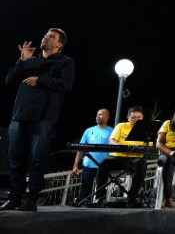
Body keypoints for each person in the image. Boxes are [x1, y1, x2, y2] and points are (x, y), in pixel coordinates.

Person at [1, 28, 75, 212]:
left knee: (37, 159)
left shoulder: (65, 61)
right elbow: (9, 80)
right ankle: (14, 198)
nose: (45, 37)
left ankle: (31, 199)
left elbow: (66, 84)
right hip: (19, 116)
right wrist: (22, 60)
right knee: (15, 159)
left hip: (43, 117)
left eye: (51, 37)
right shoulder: (30, 61)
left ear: (59, 44)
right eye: (45, 35)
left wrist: (40, 80)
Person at [96, 105, 150, 208]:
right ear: (128, 117)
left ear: (142, 117)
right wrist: (121, 147)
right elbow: (112, 140)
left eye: (139, 118)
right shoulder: (121, 126)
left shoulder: (144, 129)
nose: (136, 120)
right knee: (104, 164)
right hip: (118, 157)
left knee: (141, 165)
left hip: (135, 158)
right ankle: (100, 198)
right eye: (133, 117)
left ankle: (132, 198)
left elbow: (150, 145)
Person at [71, 108, 113, 206]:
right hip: (88, 165)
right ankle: (82, 205)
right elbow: (80, 149)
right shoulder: (89, 131)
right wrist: (75, 166)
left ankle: (99, 206)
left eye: (101, 114)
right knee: (85, 188)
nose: (98, 116)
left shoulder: (112, 131)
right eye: (97, 114)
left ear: (107, 117)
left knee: (101, 190)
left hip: (103, 166)